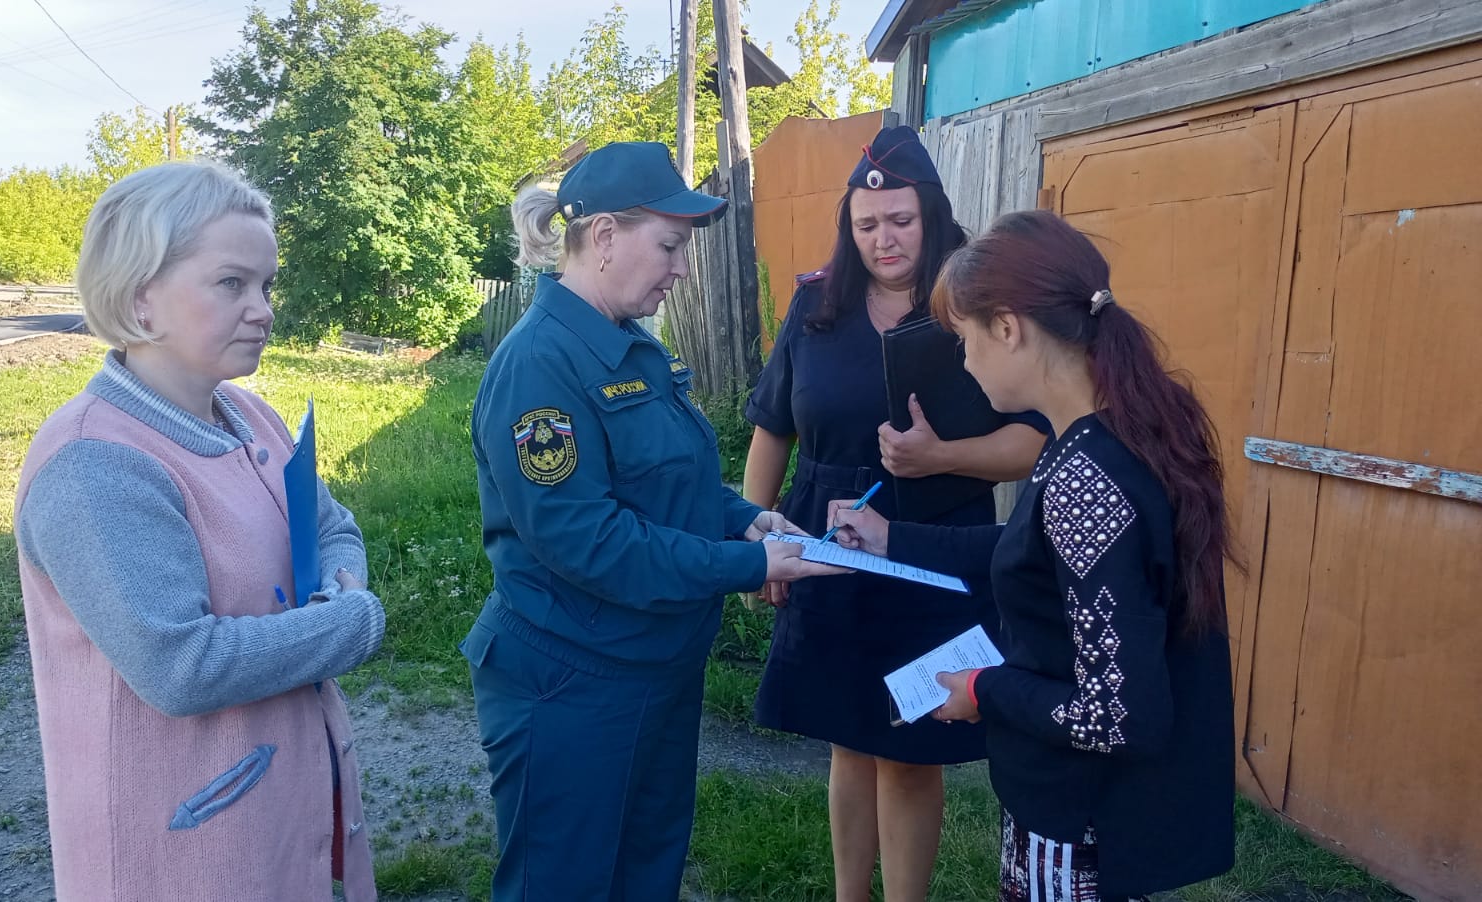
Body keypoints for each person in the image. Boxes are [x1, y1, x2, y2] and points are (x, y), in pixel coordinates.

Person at [460, 141, 841, 902]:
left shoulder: (632, 347)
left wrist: (748, 523)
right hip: (572, 680)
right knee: (564, 884)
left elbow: (670, 482)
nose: (680, 268)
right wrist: (750, 568)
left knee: (645, 871)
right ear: (603, 237)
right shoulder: (542, 362)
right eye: (669, 246)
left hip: (654, 665)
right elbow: (587, 541)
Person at [830, 209, 1238, 901]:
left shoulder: (1086, 474)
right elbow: (1035, 554)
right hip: (1087, 809)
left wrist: (981, 691)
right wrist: (892, 537)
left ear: (1009, 327)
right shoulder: (1104, 436)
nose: (963, 360)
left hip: (1076, 824)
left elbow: (1117, 716)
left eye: (964, 340)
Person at [14, 161, 386, 901]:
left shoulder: (251, 416)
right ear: (140, 299)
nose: (263, 308)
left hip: (279, 817)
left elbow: (333, 525)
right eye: (231, 283)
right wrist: (353, 621)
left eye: (266, 285)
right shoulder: (95, 464)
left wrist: (341, 579)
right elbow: (180, 667)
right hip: (184, 853)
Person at [741, 125, 1046, 901]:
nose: (884, 238)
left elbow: (1035, 443)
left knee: (910, 743)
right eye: (867, 224)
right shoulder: (817, 305)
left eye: (901, 220)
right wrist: (753, 540)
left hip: (936, 550)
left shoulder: (979, 306)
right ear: (850, 226)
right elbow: (773, 426)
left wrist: (940, 456)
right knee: (849, 739)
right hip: (827, 542)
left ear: (932, 215)